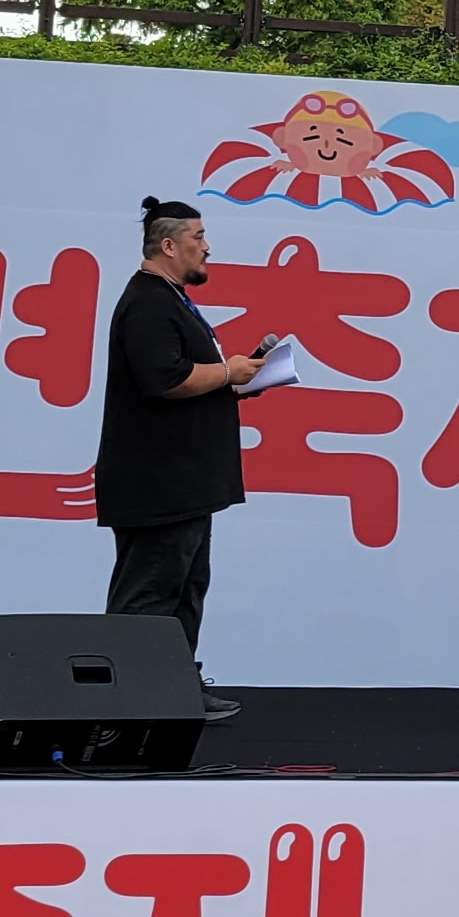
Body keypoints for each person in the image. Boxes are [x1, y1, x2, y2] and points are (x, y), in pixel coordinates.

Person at [94, 195, 280, 712]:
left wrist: (237, 380)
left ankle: (172, 689)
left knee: (183, 589)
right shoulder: (148, 303)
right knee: (150, 593)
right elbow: (165, 379)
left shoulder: (170, 301)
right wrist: (227, 372)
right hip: (159, 483)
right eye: (198, 238)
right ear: (169, 245)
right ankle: (121, 704)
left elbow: (188, 377)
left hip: (186, 483)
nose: (207, 247)